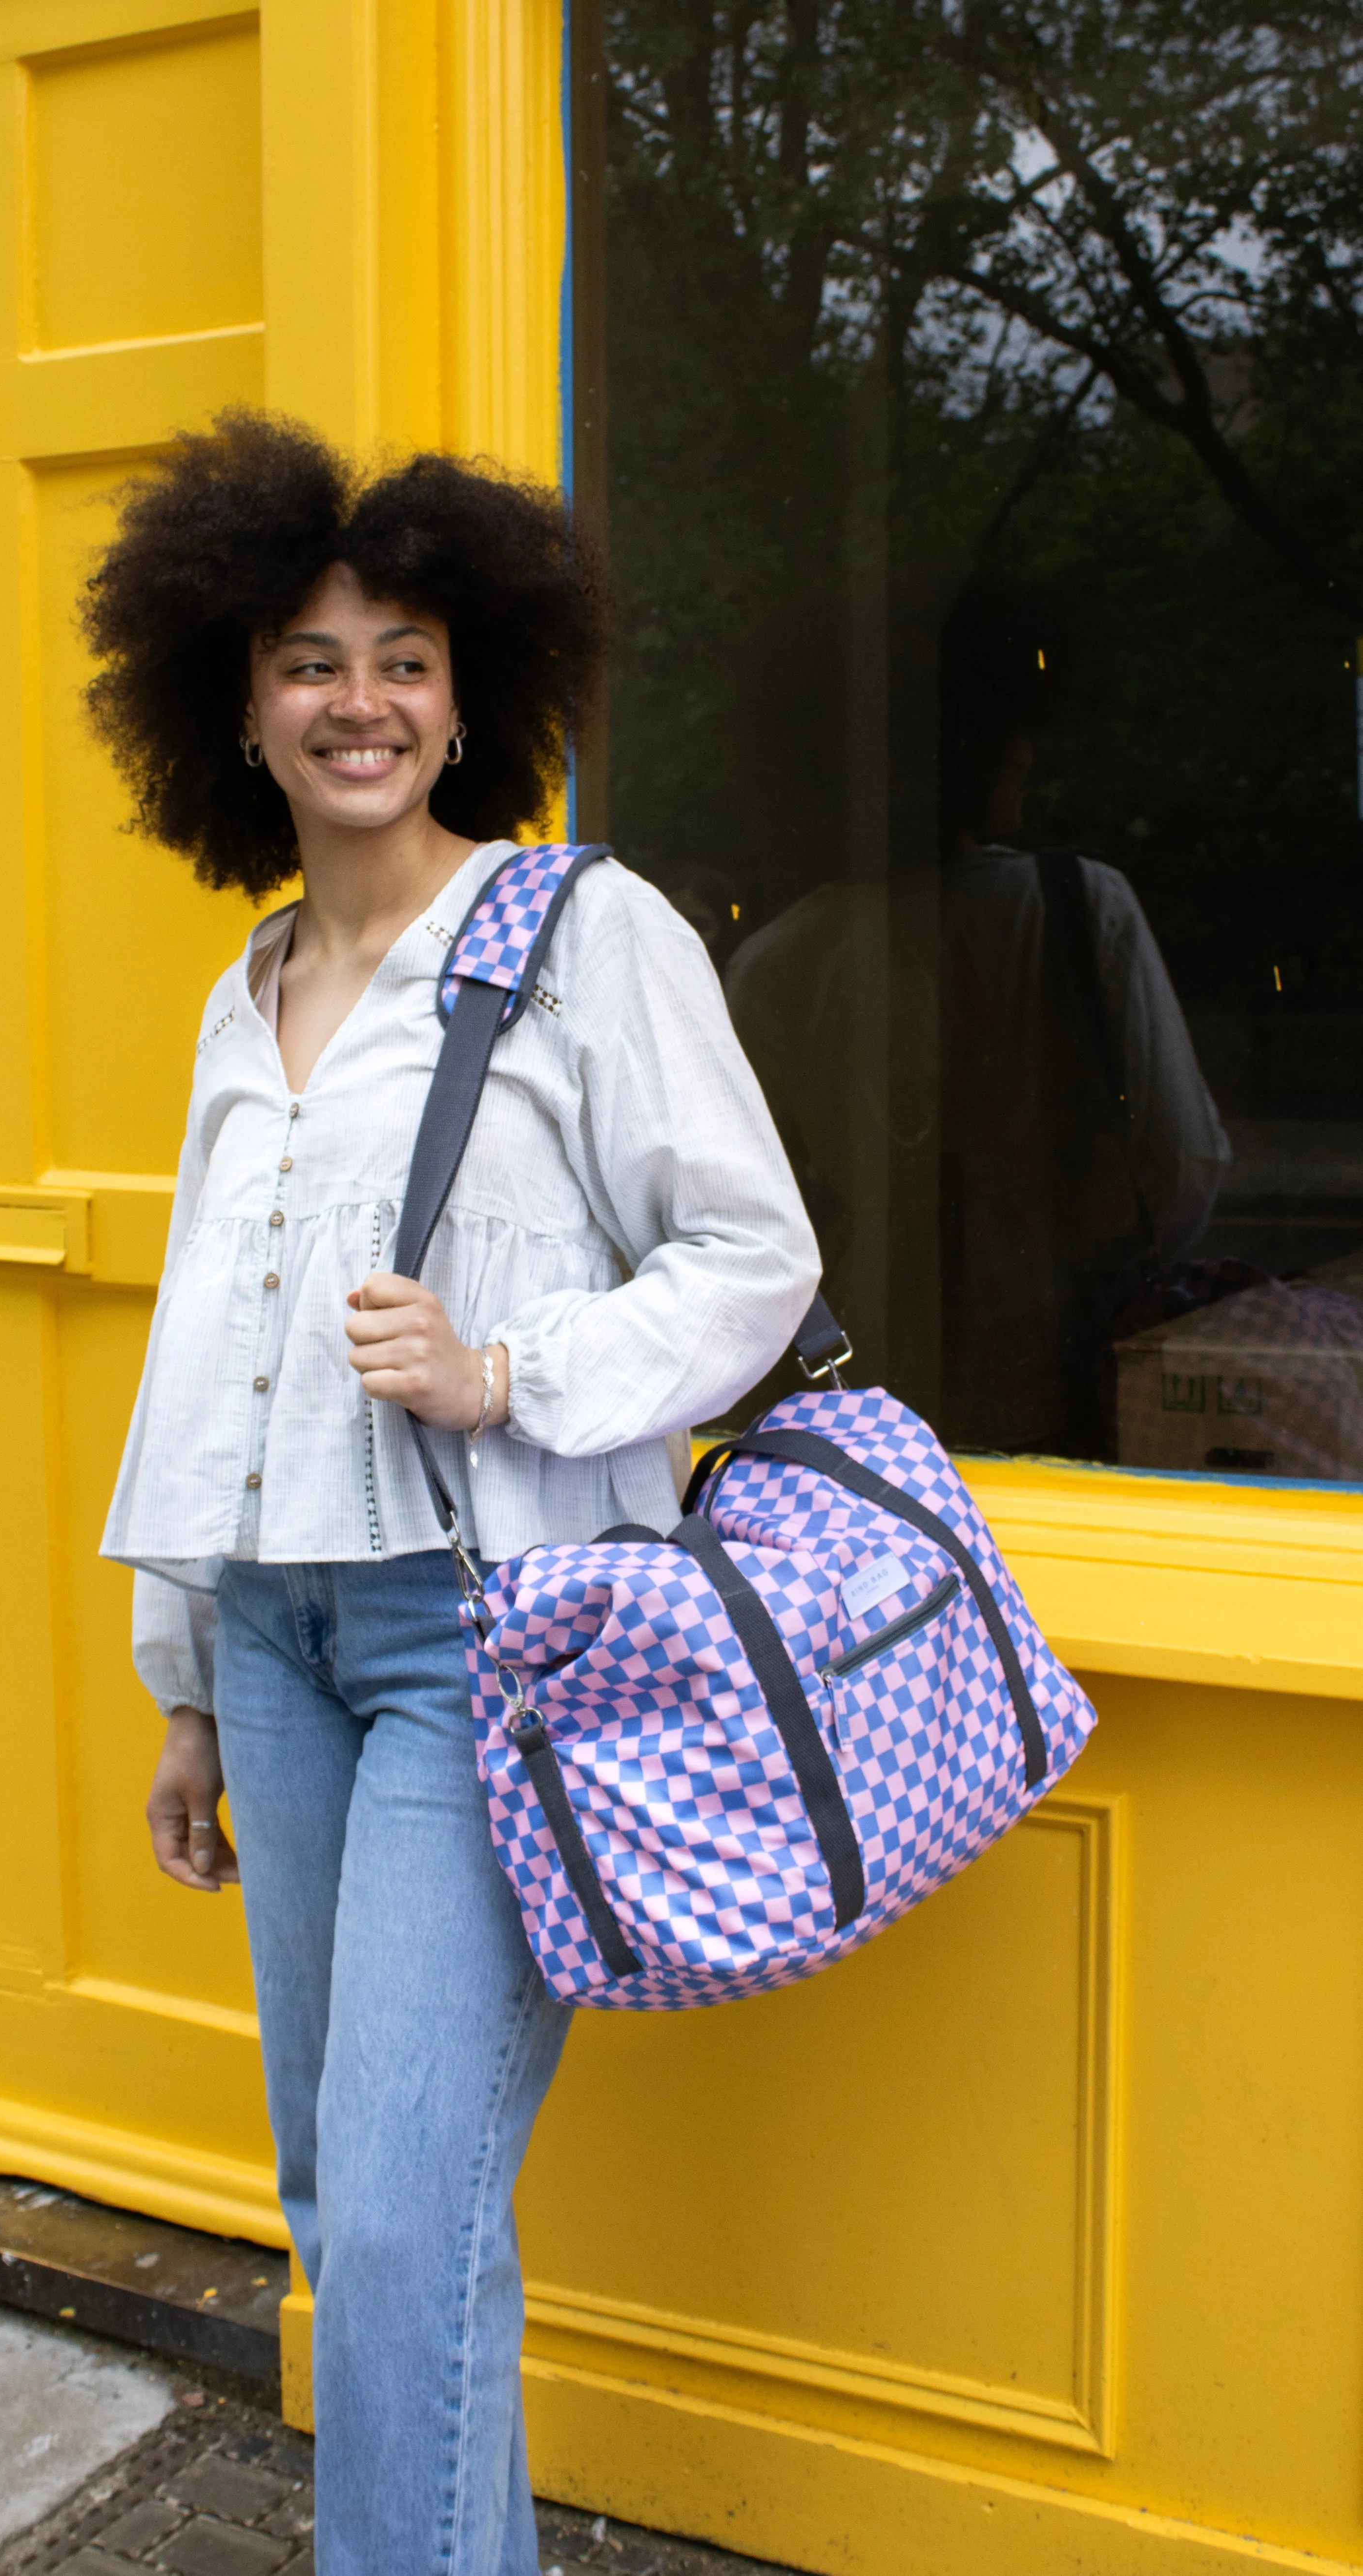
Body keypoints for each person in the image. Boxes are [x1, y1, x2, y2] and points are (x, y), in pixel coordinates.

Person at [82, 410, 817, 2576]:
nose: (359, 700)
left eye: (405, 656)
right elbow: (212, 1371)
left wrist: (516, 1371)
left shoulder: (584, 931)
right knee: (351, 2204)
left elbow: (754, 1253)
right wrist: (194, 1673)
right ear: (231, 700)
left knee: (406, 2204)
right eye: (310, 660)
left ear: (472, 692)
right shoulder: (249, 994)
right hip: (288, 1638)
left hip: (483, 1640)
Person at [725, 577, 1229, 1456]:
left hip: (845, 1389)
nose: (1027, 752)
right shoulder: (1078, 907)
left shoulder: (778, 964)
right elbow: (1178, 1163)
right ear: (968, 751)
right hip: (1057, 1362)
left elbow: (738, 1216)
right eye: (1002, 731)